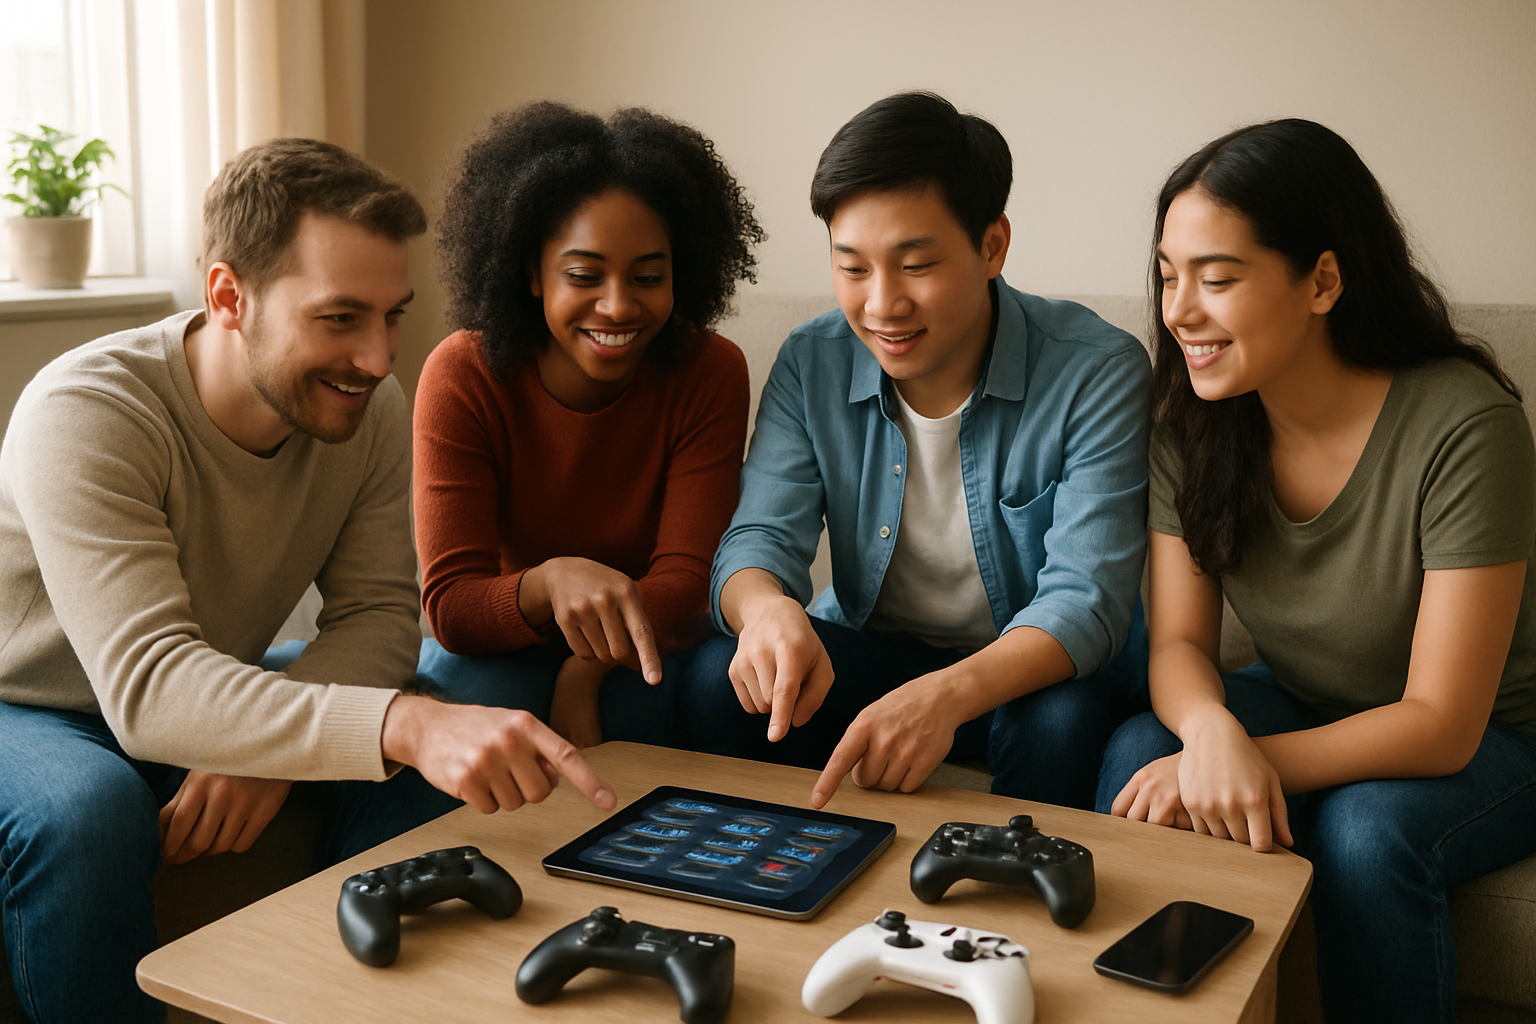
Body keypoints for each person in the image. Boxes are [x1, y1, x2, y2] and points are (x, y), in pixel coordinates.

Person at [0, 139, 616, 1024]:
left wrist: (282, 751)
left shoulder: (367, 406)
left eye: (393, 315)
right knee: (85, 810)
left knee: (439, 728)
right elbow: (148, 687)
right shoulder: (88, 411)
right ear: (227, 297)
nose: (376, 357)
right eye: (339, 319)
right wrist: (382, 725)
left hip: (204, 674)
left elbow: (379, 618)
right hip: (30, 701)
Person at [1097, 119, 1536, 1023]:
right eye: (1169, 274)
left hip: (1498, 737)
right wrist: (1212, 731)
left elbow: (1442, 725)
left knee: (1366, 833)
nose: (1179, 310)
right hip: (1308, 699)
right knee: (1146, 751)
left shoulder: (1465, 426)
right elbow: (1179, 643)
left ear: (1323, 281)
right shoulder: (1190, 419)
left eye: (1216, 279)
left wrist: (1243, 758)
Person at [675, 92, 1151, 810]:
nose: (881, 304)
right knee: (721, 676)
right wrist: (768, 612)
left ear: (992, 246)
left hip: (1031, 673)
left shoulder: (1096, 369)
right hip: (879, 651)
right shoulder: (813, 362)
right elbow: (758, 540)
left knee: (1060, 721)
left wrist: (944, 697)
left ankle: (1007, 912)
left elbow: (1085, 603)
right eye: (853, 268)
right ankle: (784, 882)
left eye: (915, 265)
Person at [414, 102, 759, 749]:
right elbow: (454, 609)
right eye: (584, 275)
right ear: (530, 271)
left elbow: (688, 587)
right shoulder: (462, 373)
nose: (618, 305)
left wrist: (584, 670)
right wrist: (550, 581)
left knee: (645, 705)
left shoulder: (709, 369)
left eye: (648, 277)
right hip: (506, 643)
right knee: (487, 700)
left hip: (646, 646)